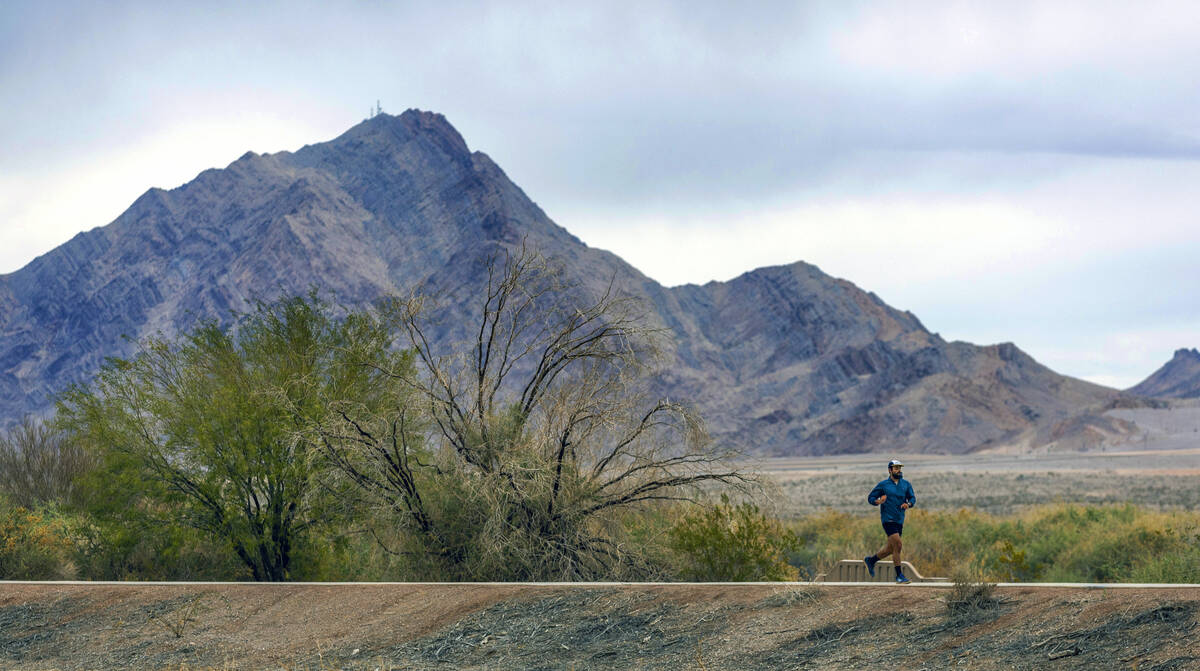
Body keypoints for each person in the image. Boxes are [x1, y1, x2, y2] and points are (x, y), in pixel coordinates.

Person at [864, 459, 916, 583]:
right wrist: (877, 501)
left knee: (891, 549)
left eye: (899, 468)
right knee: (898, 545)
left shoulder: (906, 484)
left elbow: (912, 498)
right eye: (896, 468)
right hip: (887, 519)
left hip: (899, 520)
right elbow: (870, 497)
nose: (898, 470)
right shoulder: (883, 485)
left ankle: (871, 560)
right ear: (890, 470)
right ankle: (899, 575)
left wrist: (908, 504)